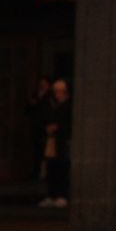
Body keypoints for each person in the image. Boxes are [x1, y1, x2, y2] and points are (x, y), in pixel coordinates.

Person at [38, 78, 71, 207]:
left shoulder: (68, 106)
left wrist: (58, 127)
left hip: (63, 141)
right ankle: (51, 195)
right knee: (51, 168)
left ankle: (62, 195)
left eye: (60, 92)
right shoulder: (52, 105)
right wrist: (48, 127)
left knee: (62, 168)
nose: (58, 94)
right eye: (55, 91)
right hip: (52, 141)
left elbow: (68, 124)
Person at [25, 77, 52, 180]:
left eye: (44, 84)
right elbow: (28, 109)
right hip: (36, 126)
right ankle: (36, 172)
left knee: (46, 151)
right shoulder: (35, 96)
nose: (42, 86)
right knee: (36, 151)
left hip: (45, 127)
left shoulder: (50, 97)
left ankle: (45, 173)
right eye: (41, 84)